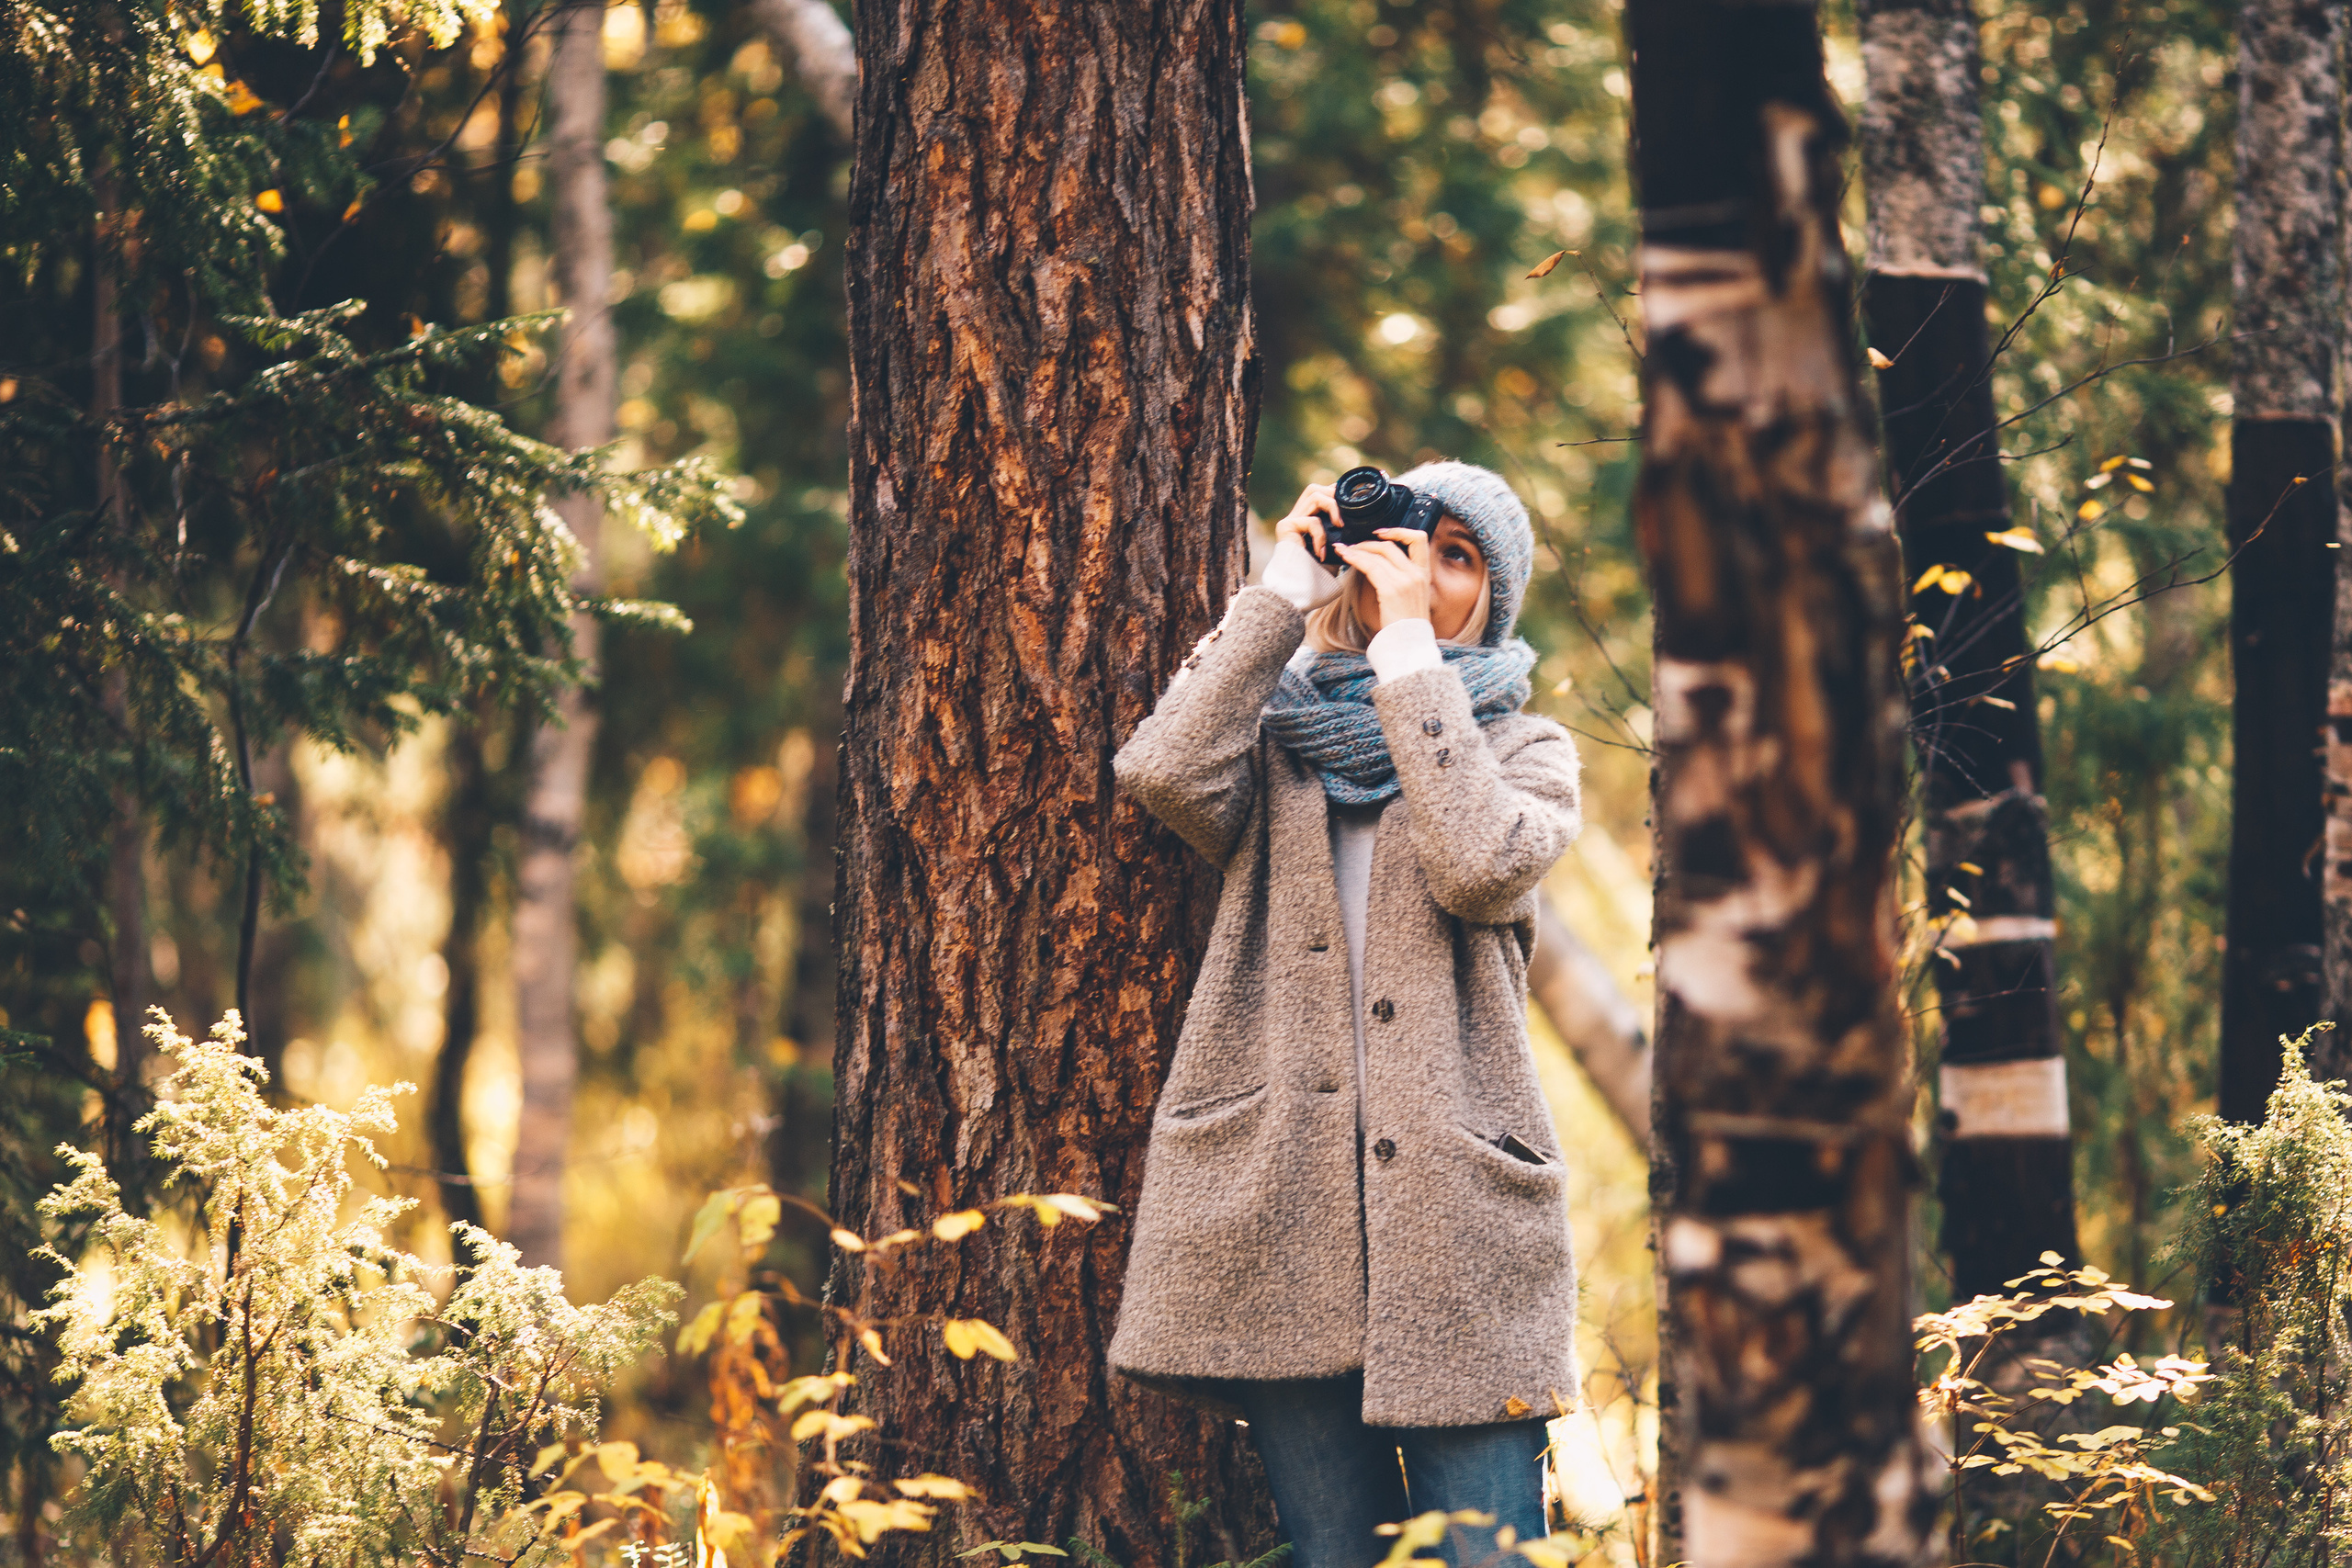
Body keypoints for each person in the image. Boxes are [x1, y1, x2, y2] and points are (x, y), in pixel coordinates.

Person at [1106, 462, 1584, 1568]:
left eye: (1457, 559)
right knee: (1335, 1556)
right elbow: (1166, 772)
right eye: (1413, 538)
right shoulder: (1271, 740)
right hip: (1281, 1211)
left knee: (1491, 1556)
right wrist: (1280, 590)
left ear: (1490, 602)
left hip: (1461, 1230)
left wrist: (1410, 657)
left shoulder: (1523, 749)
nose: (1418, 567)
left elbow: (1479, 864)